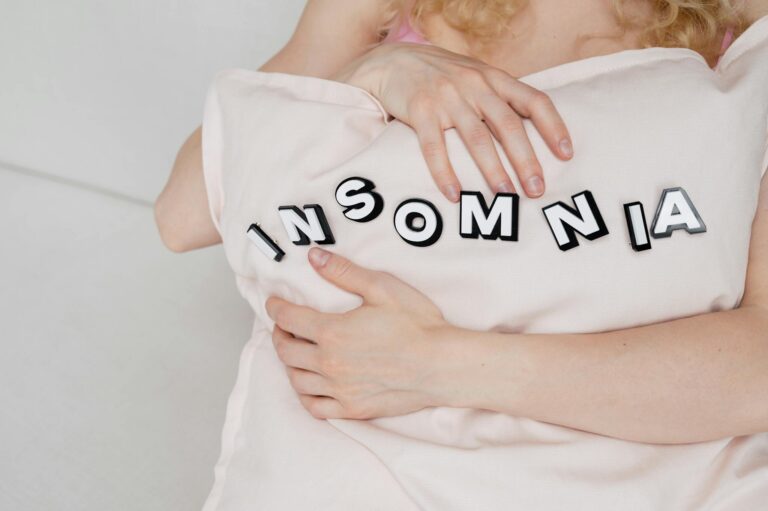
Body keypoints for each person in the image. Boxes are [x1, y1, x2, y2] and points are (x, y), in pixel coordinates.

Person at [155, 0, 768, 509]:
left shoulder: (740, 25)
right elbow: (184, 213)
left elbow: (756, 374)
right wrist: (371, 71)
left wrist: (438, 364)